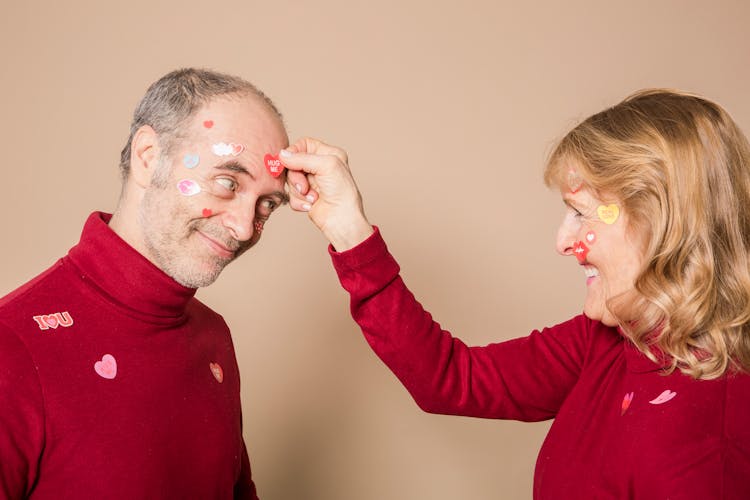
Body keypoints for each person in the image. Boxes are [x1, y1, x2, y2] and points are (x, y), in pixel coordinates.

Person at [282, 89, 750, 498]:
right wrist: (348, 229)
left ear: (665, 224)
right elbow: (450, 378)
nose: (563, 242)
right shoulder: (606, 340)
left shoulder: (721, 429)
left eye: (582, 214)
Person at [0, 68, 294, 498]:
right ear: (148, 156)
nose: (246, 228)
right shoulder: (12, 345)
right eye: (228, 183)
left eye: (267, 204)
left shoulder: (212, 336)